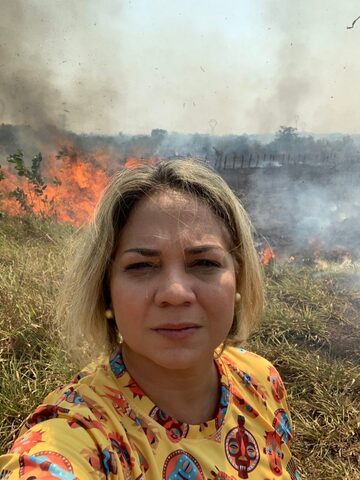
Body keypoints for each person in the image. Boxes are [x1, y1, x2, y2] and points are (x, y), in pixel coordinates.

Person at [0, 159, 300, 479]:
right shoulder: (84, 435)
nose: (175, 292)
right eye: (141, 266)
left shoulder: (261, 379)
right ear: (106, 292)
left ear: (238, 280)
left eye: (204, 263)